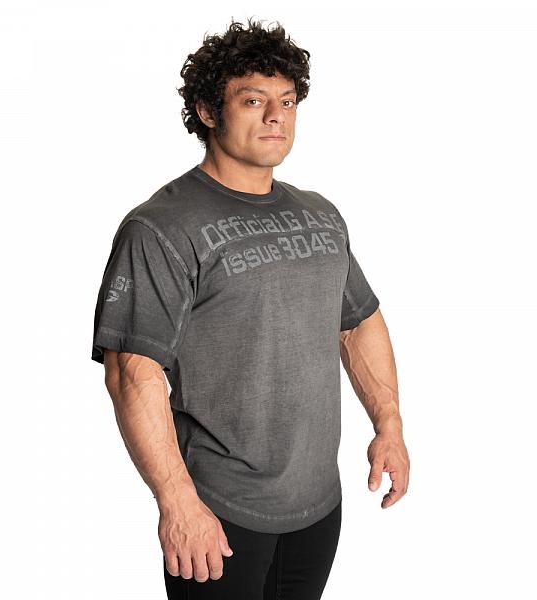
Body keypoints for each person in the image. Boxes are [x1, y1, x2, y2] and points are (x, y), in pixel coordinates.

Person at [91, 17, 409, 600]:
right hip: (218, 512)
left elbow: (357, 323)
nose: (275, 117)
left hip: (319, 506)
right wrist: (176, 500)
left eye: (287, 101)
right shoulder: (161, 227)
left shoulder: (320, 214)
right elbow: (132, 371)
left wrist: (389, 424)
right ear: (207, 112)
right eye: (253, 100)